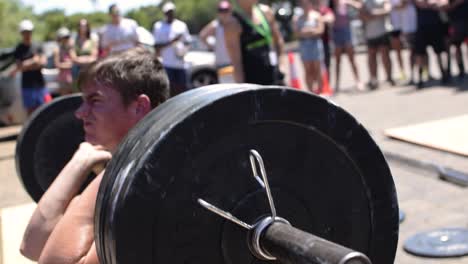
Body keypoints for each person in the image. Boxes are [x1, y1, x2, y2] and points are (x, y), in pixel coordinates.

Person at [19, 49, 170, 264]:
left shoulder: (144, 177)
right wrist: (79, 163)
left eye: (95, 100)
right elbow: (33, 245)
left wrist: (102, 183)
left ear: (139, 107)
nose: (80, 112)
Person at [224, 0, 285, 85]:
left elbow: (278, 40)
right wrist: (242, 88)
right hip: (253, 81)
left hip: (274, 74)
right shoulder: (232, 23)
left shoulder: (265, 11)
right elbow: (236, 62)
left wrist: (281, 65)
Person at [10, 19, 50, 115]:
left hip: (40, 84)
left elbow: (43, 62)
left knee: (46, 109)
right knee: (31, 112)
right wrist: (33, 61)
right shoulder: (19, 49)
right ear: (21, 33)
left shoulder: (38, 45)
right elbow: (19, 67)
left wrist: (26, 65)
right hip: (27, 85)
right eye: (25, 32)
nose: (27, 34)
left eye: (29, 32)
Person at [153, 2, 192, 96]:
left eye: (171, 12)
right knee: (169, 91)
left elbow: (188, 42)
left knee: (183, 91)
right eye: (167, 12)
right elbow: (156, 46)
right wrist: (172, 42)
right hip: (167, 64)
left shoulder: (181, 25)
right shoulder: (158, 26)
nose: (170, 14)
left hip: (181, 64)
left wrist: (183, 51)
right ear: (164, 13)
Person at [413, 0, 450, 88]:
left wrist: (433, 4)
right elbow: (420, 3)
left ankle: (443, 74)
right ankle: (420, 78)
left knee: (439, 52)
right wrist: (433, 5)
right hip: (422, 28)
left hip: (435, 26)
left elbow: (444, 4)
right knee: (420, 54)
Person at [358, 0, 394, 89]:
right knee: (372, 57)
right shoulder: (364, 2)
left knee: (385, 56)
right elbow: (362, 16)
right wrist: (375, 15)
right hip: (370, 34)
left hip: (382, 32)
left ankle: (389, 78)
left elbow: (387, 10)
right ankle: (374, 79)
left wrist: (373, 13)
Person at [330, 0, 364, 91]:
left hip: (346, 31)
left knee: (352, 59)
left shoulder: (345, 2)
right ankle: (337, 84)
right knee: (337, 61)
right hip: (336, 33)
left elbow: (359, 5)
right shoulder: (330, 4)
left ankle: (358, 81)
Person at [294, 0, 325, 93]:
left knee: (317, 69)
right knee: (308, 70)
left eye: (307, 3)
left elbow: (320, 30)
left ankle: (321, 91)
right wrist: (310, 32)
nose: (305, 6)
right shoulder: (297, 18)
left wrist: (307, 31)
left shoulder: (316, 15)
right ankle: (310, 92)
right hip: (304, 46)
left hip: (315, 44)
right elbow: (296, 33)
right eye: (303, 4)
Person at [199, 0, 233, 69]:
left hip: (234, 62)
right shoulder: (216, 25)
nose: (224, 13)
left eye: (226, 10)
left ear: (230, 11)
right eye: (221, 10)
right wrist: (212, 47)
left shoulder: (234, 24)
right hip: (221, 63)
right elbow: (202, 35)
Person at [72, 19, 98, 84]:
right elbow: (73, 58)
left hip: (90, 68)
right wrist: (86, 59)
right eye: (81, 25)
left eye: (85, 25)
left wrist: (82, 59)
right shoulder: (74, 40)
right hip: (77, 69)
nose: (83, 27)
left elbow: (94, 57)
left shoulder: (93, 39)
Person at [54, 27, 74, 95]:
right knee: (64, 98)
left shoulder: (70, 48)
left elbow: (73, 61)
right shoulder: (57, 50)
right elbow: (57, 64)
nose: (66, 39)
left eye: (67, 37)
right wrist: (68, 65)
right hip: (62, 78)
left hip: (71, 77)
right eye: (64, 37)